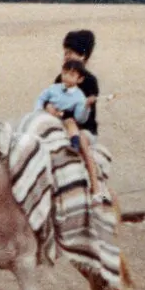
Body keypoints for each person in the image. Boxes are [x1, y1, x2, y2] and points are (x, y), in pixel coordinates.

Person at [36, 59, 100, 195]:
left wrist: (86, 106)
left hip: (64, 120)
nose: (66, 76)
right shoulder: (54, 88)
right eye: (64, 73)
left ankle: (75, 144)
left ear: (80, 79)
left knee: (71, 122)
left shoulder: (79, 97)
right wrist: (39, 110)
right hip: (49, 116)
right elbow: (41, 98)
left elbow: (80, 118)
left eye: (71, 75)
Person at [58, 29, 101, 140]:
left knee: (81, 139)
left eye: (70, 53)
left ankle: (89, 158)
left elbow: (82, 113)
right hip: (62, 124)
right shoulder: (60, 78)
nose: (66, 56)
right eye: (65, 53)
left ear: (83, 55)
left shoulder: (90, 81)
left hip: (83, 127)